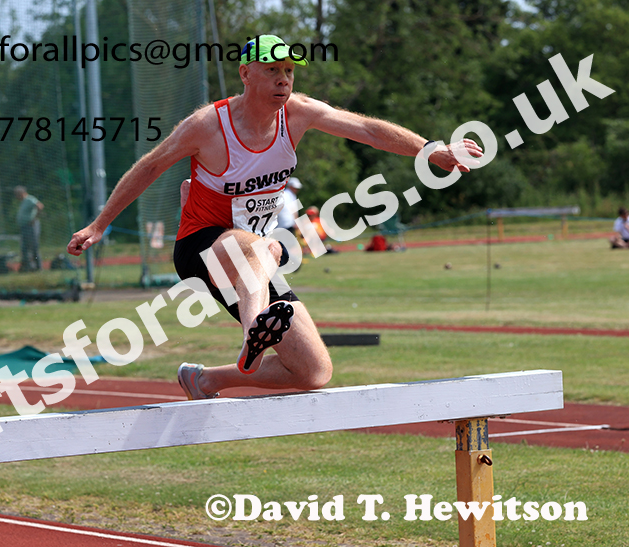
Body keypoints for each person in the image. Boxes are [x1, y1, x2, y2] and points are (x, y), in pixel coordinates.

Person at [67, 35, 482, 400]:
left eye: (289, 70)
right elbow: (150, 166)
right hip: (202, 248)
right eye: (272, 70)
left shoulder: (299, 113)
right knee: (266, 245)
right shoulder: (209, 125)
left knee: (314, 372)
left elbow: (368, 129)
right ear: (246, 74)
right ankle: (254, 333)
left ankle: (206, 379)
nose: (283, 79)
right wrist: (98, 225)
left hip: (253, 266)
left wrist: (431, 149)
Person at [15, 186, 44, 272]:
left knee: (33, 246)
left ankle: (38, 267)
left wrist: (34, 218)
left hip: (31, 226)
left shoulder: (29, 199)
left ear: (22, 193)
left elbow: (40, 206)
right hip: (24, 227)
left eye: (17, 194)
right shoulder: (23, 201)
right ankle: (29, 267)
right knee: (25, 247)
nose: (17, 197)